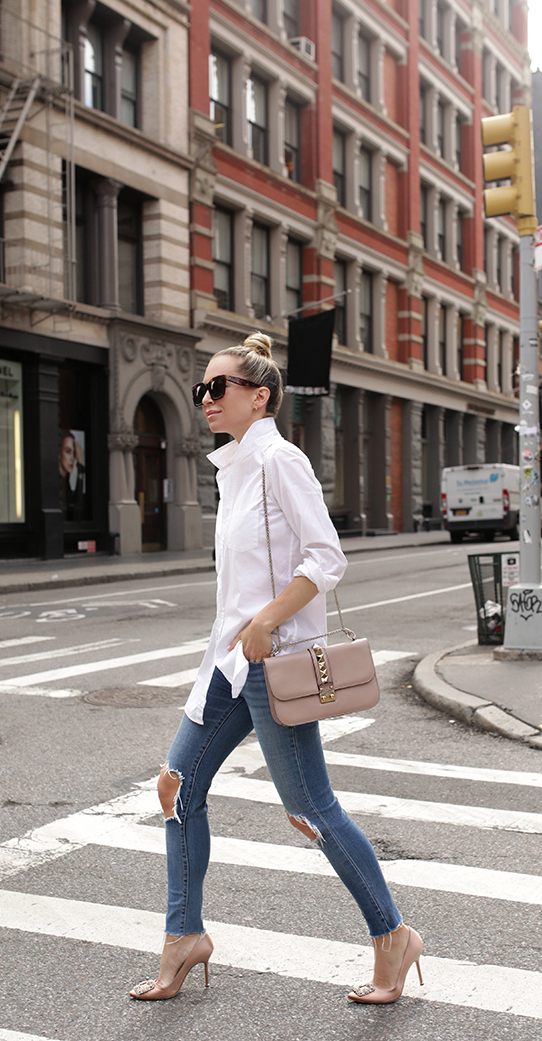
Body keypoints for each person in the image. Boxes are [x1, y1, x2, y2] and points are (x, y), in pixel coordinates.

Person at [129, 333, 422, 1005]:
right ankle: (183, 937)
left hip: (275, 660)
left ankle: (393, 935)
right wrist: (214, 667)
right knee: (178, 789)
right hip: (233, 665)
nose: (205, 397)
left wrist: (268, 619)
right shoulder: (232, 469)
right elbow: (232, 601)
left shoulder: (279, 461)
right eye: (202, 388)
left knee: (310, 809)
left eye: (219, 386)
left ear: (259, 396)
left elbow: (326, 556)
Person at [59, 430, 86, 521]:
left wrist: (80, 467)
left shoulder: (65, 480)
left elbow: (77, 507)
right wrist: (80, 467)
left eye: (74, 453)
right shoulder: (58, 482)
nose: (72, 458)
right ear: (59, 453)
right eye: (68, 451)